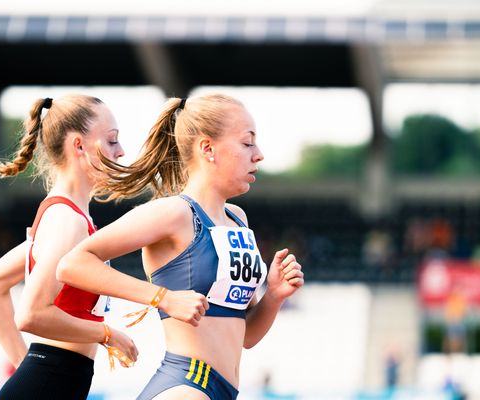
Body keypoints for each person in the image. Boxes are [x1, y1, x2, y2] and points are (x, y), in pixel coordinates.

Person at [57, 94, 304, 400]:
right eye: (247, 143)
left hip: (222, 391)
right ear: (207, 148)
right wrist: (163, 298)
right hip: (187, 385)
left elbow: (246, 336)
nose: (259, 155)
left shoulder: (238, 220)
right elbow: (73, 264)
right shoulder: (174, 213)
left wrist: (274, 297)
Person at [0, 95, 138, 400]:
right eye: (112, 140)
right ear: (79, 146)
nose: (122, 151)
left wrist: (25, 365)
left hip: (49, 381)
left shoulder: (67, 217)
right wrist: (107, 334)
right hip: (50, 382)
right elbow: (31, 314)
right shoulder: (67, 221)